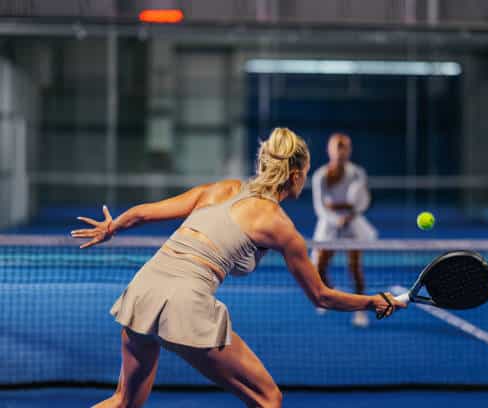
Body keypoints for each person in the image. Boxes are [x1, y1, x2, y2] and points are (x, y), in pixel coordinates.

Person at [71, 127, 405, 408]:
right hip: (184, 302)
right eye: (305, 172)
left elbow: (143, 213)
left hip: (144, 288)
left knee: (123, 401)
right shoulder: (280, 226)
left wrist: (111, 227)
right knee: (268, 399)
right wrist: (373, 301)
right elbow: (321, 296)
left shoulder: (223, 188)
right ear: (295, 175)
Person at [311, 133, 377, 328]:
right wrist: (336, 218)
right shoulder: (320, 175)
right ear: (329, 150)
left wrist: (350, 214)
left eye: (344, 148)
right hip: (328, 226)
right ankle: (330, 296)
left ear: (349, 150)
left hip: (353, 225)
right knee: (319, 268)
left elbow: (363, 202)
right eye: (337, 148)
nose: (340, 152)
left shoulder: (357, 173)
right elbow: (320, 207)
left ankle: (360, 311)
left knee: (355, 268)